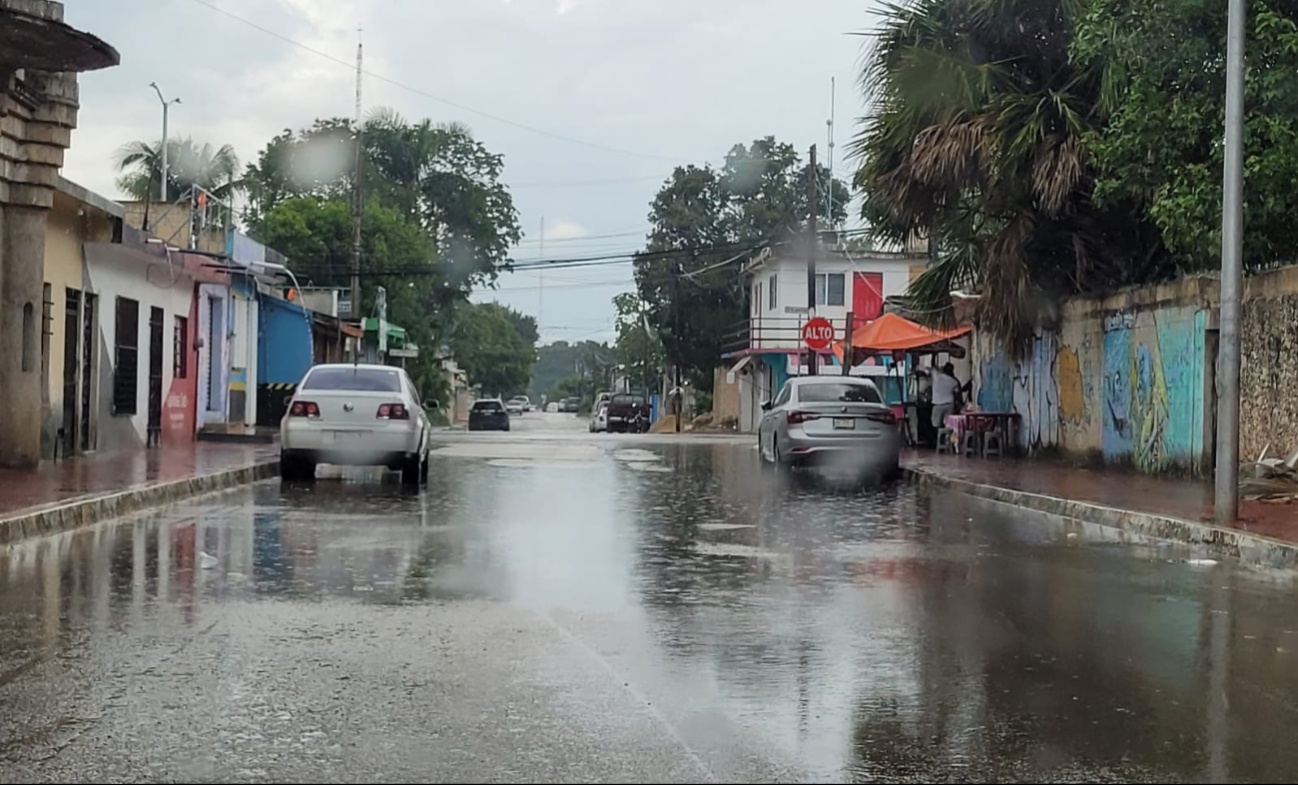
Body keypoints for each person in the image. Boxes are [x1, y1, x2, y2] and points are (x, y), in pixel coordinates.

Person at [931, 362, 962, 429]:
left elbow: (933, 367)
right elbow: (957, 392)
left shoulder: (937, 376)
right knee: (948, 425)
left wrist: (933, 355)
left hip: (937, 404)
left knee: (936, 425)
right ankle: (946, 437)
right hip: (949, 404)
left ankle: (938, 437)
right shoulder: (954, 381)